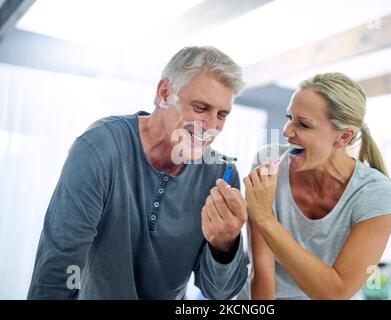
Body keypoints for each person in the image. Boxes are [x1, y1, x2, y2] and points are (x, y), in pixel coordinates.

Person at [28, 46, 249, 299]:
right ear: (165, 93)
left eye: (222, 114)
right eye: (200, 108)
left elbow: (219, 293)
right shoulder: (100, 148)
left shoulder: (220, 175)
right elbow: (59, 265)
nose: (211, 126)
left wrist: (225, 244)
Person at [243, 72, 391, 300]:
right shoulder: (268, 164)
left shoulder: (376, 196)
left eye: (303, 124)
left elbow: (335, 292)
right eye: (289, 117)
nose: (286, 131)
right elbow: (261, 270)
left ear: (344, 137)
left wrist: (264, 218)